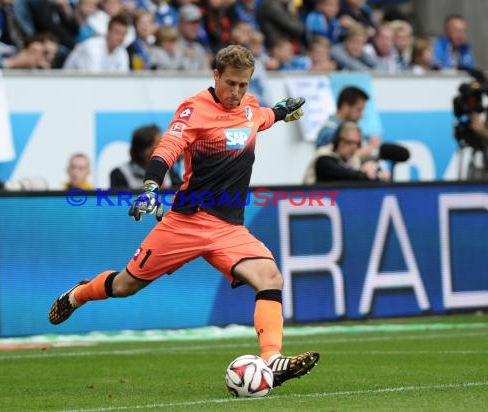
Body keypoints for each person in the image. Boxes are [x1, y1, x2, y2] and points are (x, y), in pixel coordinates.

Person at [49, 44, 319, 388]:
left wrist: (280, 112)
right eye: (230, 83)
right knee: (126, 285)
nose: (236, 92)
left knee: (270, 277)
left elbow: (261, 118)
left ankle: (272, 360)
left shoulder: (250, 107)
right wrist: (149, 187)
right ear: (216, 75)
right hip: (186, 222)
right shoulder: (194, 110)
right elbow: (167, 150)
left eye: (243, 85)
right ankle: (78, 294)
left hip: (228, 228)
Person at [304, 121, 389, 183]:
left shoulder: (353, 159)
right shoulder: (323, 155)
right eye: (349, 142)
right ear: (337, 140)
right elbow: (341, 173)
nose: (353, 148)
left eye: (356, 144)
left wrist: (375, 171)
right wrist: (365, 174)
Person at [316, 85, 380, 160]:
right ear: (345, 107)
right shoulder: (328, 132)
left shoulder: (348, 129)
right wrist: (371, 147)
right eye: (359, 110)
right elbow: (337, 159)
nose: (361, 115)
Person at [110, 124, 181, 189]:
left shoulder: (168, 169)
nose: (164, 148)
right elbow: (118, 201)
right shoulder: (119, 174)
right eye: (160, 145)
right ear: (145, 151)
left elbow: (183, 195)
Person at [63, 13, 129, 72]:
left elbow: (123, 77)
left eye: (124, 34)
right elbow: (93, 80)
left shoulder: (122, 51)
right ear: (108, 32)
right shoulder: (92, 47)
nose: (121, 38)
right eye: (117, 33)